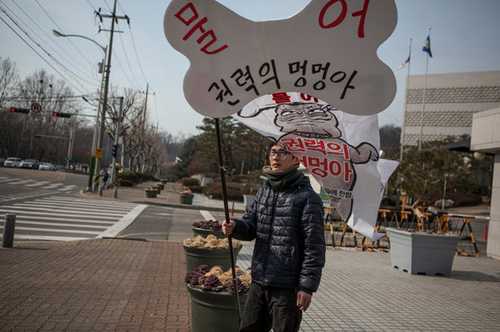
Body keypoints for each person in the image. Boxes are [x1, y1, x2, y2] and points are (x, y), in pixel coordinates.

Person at [222, 143, 326, 332]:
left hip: (287, 288)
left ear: (296, 159)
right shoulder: (264, 191)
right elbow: (251, 226)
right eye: (273, 152)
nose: (275, 156)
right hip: (259, 280)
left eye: (282, 152)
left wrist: (307, 287)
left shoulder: (308, 198)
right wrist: (236, 226)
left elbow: (314, 247)